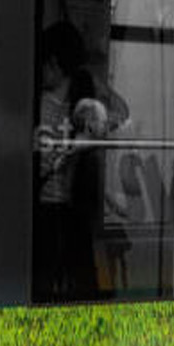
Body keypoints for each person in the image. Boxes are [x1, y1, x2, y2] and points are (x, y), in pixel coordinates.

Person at [34, 22, 114, 300]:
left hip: (52, 211)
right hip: (70, 212)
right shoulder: (83, 108)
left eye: (44, 63)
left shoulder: (44, 105)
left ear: (54, 65)